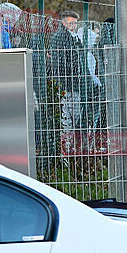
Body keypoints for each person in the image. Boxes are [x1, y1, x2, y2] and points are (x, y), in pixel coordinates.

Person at [47, 10, 89, 157]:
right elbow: (61, 63)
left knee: (73, 118)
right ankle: (66, 151)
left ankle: (70, 149)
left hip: (73, 84)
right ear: (63, 23)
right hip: (66, 84)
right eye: (71, 23)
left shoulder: (74, 38)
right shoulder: (60, 38)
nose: (74, 26)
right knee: (67, 119)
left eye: (75, 23)